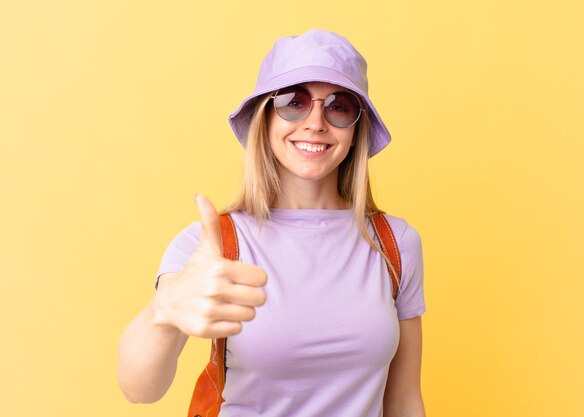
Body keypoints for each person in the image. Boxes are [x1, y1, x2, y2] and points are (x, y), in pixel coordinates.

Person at [117, 29, 426, 417]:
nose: (315, 122)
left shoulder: (395, 244)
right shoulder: (210, 246)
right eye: (292, 102)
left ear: (356, 129)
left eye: (338, 105)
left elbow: (404, 401)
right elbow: (139, 388)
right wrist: (163, 311)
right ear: (264, 119)